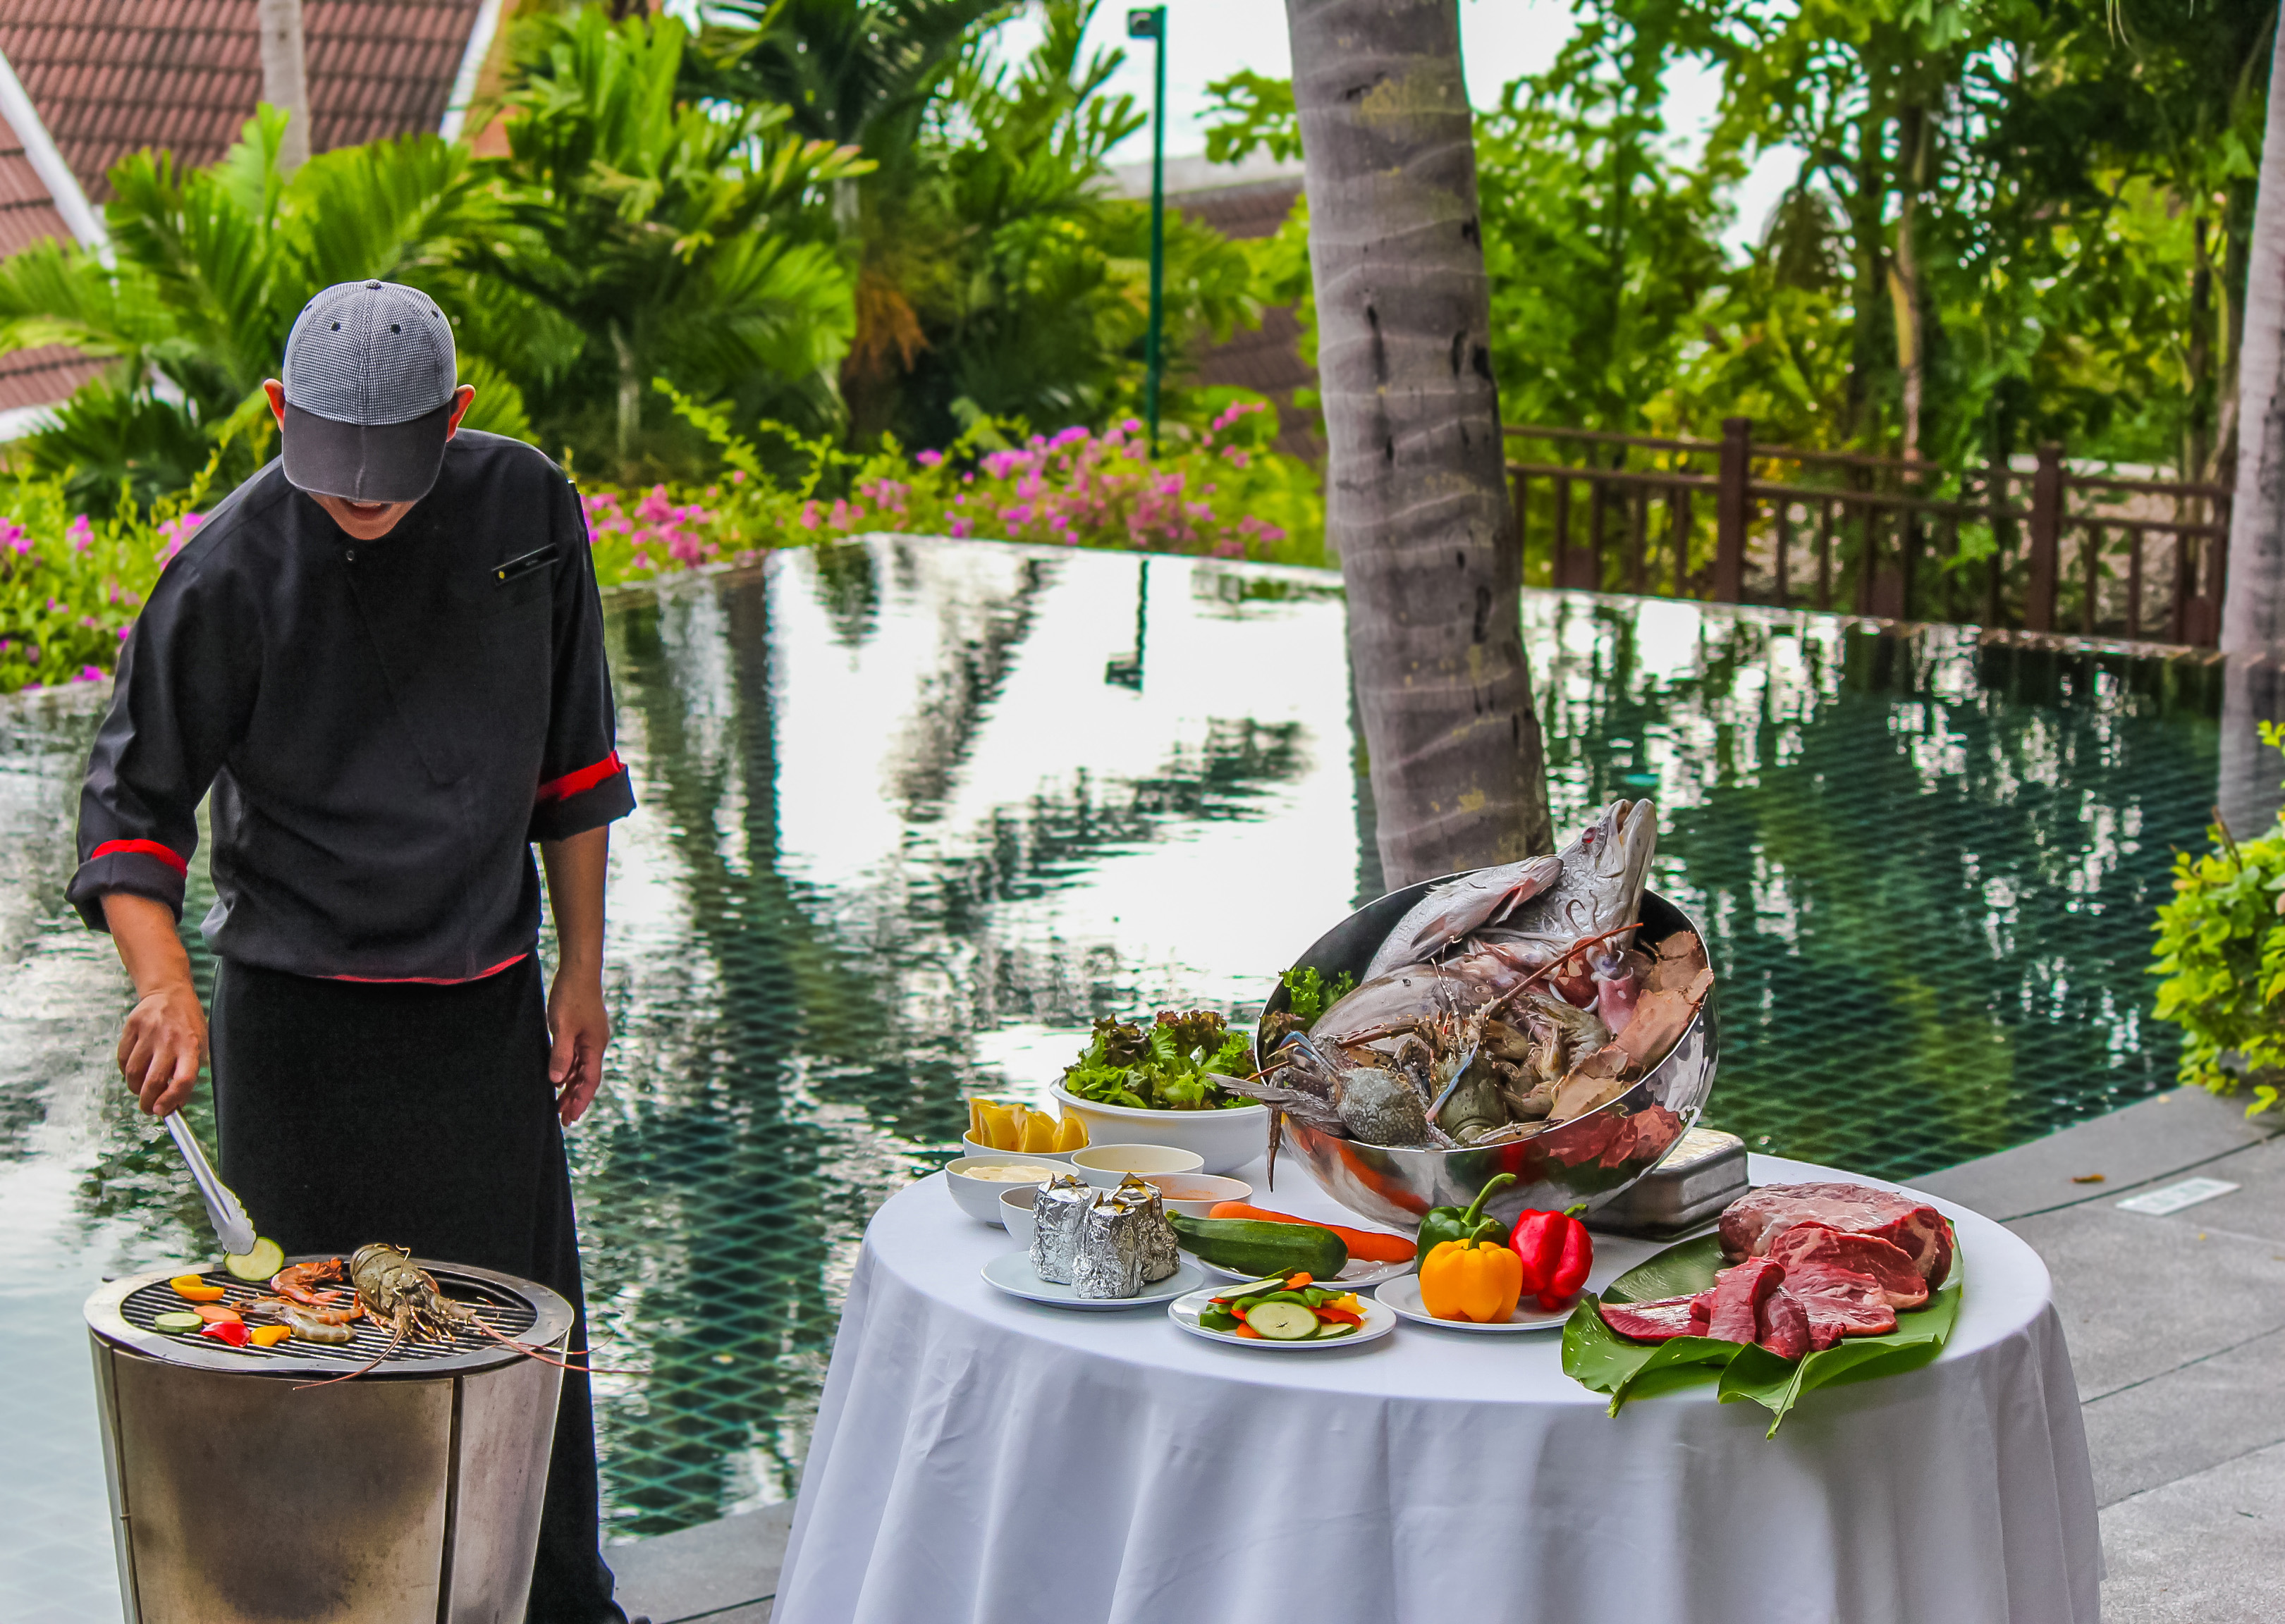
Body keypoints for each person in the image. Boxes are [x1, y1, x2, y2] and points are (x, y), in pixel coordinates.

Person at [69, 281, 638, 1624]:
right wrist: (162, 985)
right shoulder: (225, 569)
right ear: (279, 413)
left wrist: (581, 969)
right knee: (309, 1368)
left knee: (522, 1349)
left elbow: (576, 764)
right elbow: (129, 811)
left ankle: (558, 1609)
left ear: (460, 415)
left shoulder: (528, 511)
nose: (364, 498)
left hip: (483, 1013)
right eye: (338, 470)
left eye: (397, 469)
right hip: (298, 1033)